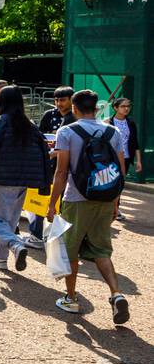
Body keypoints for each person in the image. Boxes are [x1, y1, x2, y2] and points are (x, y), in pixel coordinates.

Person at [47, 90, 129, 322]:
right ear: (96, 108)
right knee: (102, 250)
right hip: (105, 197)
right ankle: (116, 293)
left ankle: (71, 298)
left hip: (76, 198)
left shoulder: (67, 132)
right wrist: (115, 202)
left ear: (74, 108)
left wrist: (52, 204)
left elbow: (61, 172)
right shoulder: (112, 132)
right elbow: (120, 171)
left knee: (70, 250)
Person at [0, 85, 50, 271]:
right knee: (10, 221)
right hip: (24, 181)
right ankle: (0, 258)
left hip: (1, 179)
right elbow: (42, 152)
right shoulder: (30, 125)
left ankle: (15, 244)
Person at [26, 86, 76, 248]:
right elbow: (40, 136)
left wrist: (55, 153)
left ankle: (60, 239)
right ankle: (36, 235)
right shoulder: (49, 115)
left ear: (71, 100)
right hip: (47, 165)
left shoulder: (74, 118)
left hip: (67, 166)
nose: (59, 103)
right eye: (56, 100)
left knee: (62, 202)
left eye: (63, 100)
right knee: (41, 198)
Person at [106, 97, 141, 221]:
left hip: (125, 158)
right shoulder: (107, 122)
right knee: (109, 183)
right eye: (123, 106)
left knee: (120, 184)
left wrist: (138, 161)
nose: (126, 109)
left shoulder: (131, 123)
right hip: (110, 159)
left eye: (128, 106)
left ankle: (116, 208)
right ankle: (108, 208)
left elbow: (135, 142)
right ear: (115, 108)